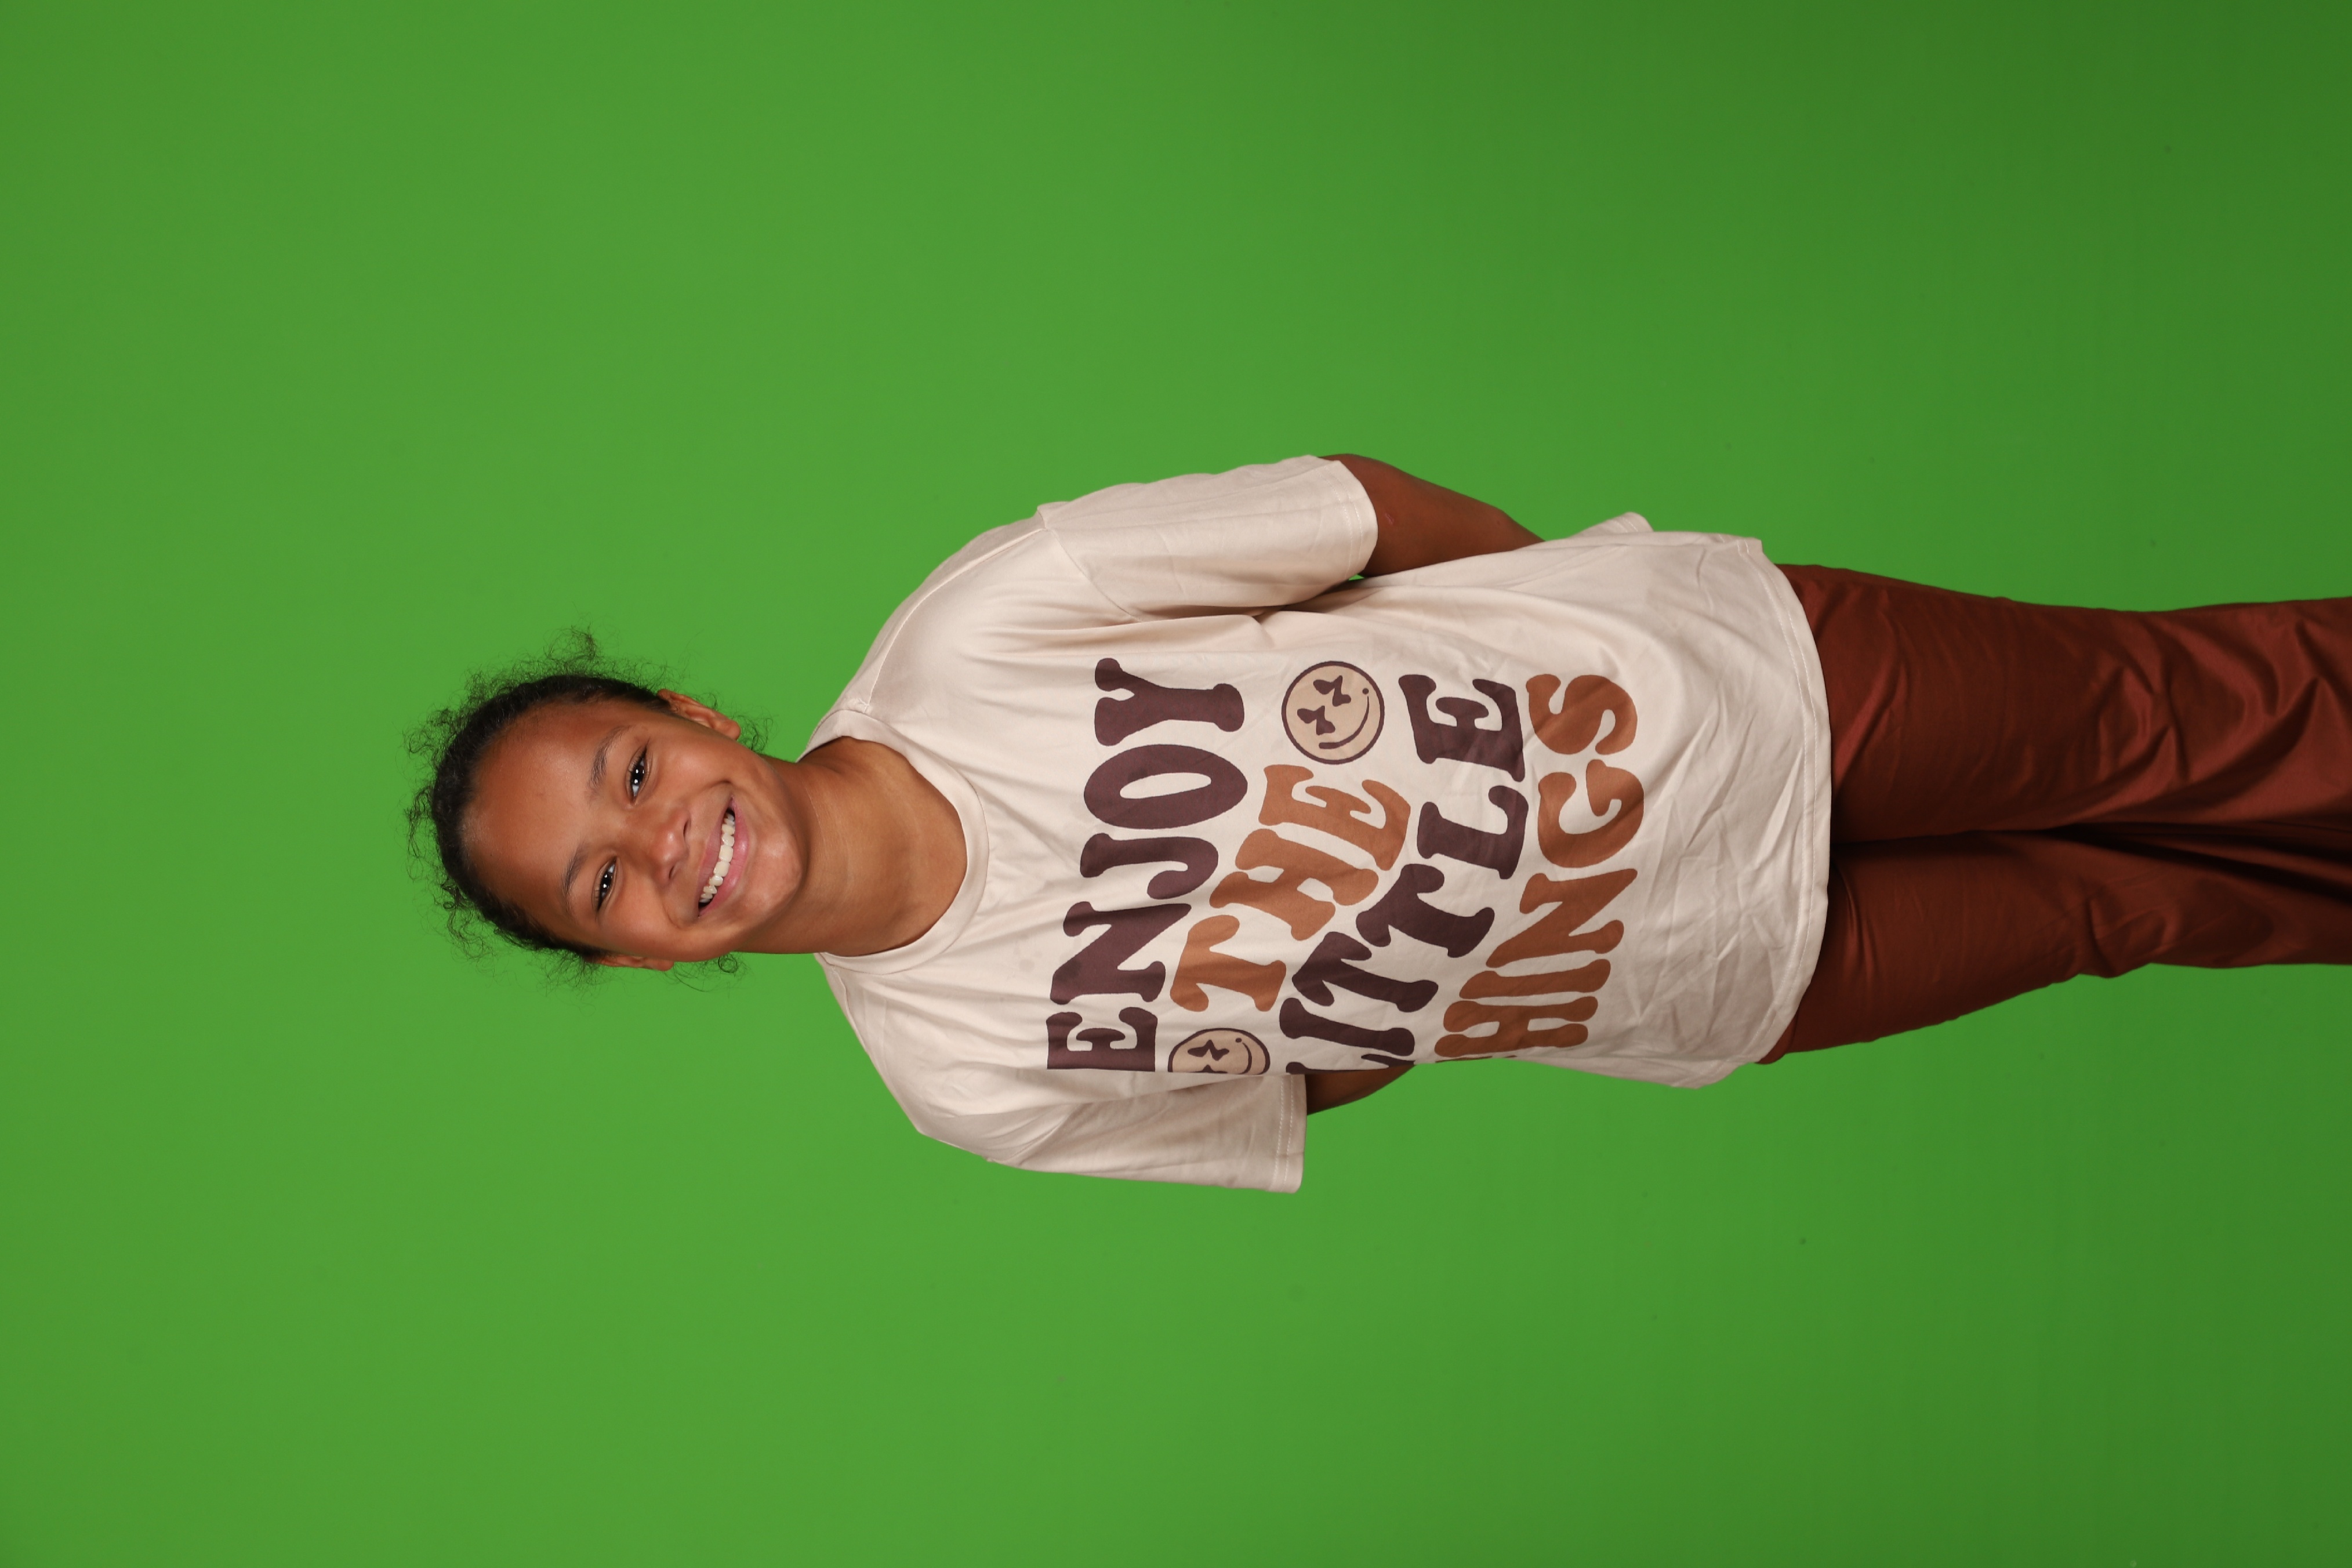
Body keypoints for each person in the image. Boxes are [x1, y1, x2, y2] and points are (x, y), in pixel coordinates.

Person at [411, 456, 2352, 1190]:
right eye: (606, 884)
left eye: (632, 773)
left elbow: (1359, 510)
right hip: (1714, 972)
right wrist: (1469, 935)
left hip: (1737, 690)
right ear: (632, 958)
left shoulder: (986, 622)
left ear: (693, 720)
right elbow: (1299, 1083)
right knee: (2130, 910)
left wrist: (1566, 645)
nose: (666, 842)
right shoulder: (967, 1083)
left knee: (2184, 718)